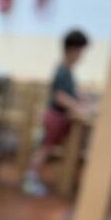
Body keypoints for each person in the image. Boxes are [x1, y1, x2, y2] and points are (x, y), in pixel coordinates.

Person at [23, 29, 90, 196]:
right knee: (44, 149)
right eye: (80, 51)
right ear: (72, 50)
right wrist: (77, 106)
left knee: (47, 149)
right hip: (55, 117)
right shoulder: (61, 70)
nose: (81, 56)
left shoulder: (68, 70)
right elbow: (59, 96)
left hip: (60, 117)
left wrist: (80, 98)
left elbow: (72, 90)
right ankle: (29, 180)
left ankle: (32, 178)